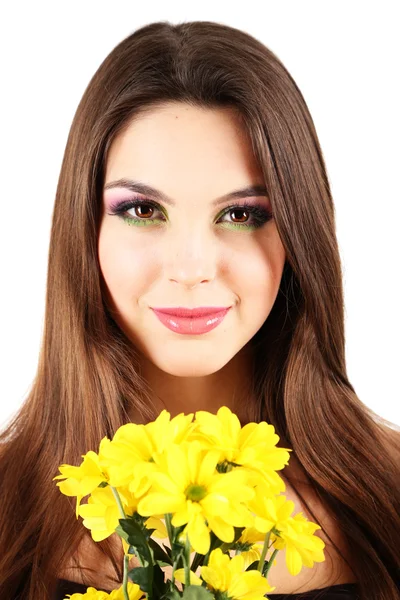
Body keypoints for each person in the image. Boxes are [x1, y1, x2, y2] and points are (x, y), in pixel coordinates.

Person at [0, 19, 399, 600]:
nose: (190, 267)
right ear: (84, 229)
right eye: (142, 209)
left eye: (241, 214)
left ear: (298, 233)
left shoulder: (389, 496)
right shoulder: (8, 505)